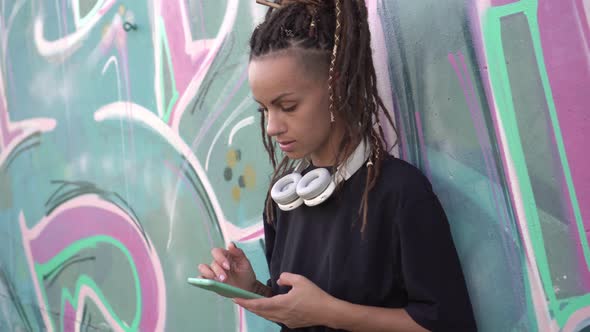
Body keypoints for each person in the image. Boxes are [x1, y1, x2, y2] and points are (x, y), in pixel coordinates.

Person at [197, 0, 477, 331]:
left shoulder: (401, 194)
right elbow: (298, 313)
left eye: (287, 106)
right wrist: (254, 290)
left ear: (338, 84)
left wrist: (329, 312)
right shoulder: (281, 203)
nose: (272, 126)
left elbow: (448, 324)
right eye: (264, 110)